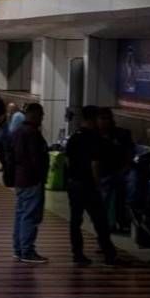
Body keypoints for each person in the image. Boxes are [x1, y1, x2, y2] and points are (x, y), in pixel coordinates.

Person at [64, 106, 117, 265]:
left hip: (74, 183)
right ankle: (109, 254)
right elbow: (95, 163)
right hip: (88, 184)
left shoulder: (74, 137)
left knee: (75, 221)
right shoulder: (94, 138)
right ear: (94, 119)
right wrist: (98, 184)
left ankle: (78, 254)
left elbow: (67, 161)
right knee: (100, 220)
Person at [12, 103, 49, 264]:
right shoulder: (32, 134)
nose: (42, 119)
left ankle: (19, 249)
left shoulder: (18, 131)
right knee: (30, 215)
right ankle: (27, 250)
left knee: (21, 214)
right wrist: (42, 175)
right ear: (34, 114)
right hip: (32, 179)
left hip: (20, 178)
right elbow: (36, 159)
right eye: (41, 115)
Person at [97, 107, 134, 233]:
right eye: (102, 119)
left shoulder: (122, 134)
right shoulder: (94, 135)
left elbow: (129, 153)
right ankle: (106, 224)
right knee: (103, 201)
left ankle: (120, 222)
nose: (104, 122)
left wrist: (125, 168)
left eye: (107, 118)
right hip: (101, 173)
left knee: (118, 199)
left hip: (118, 172)